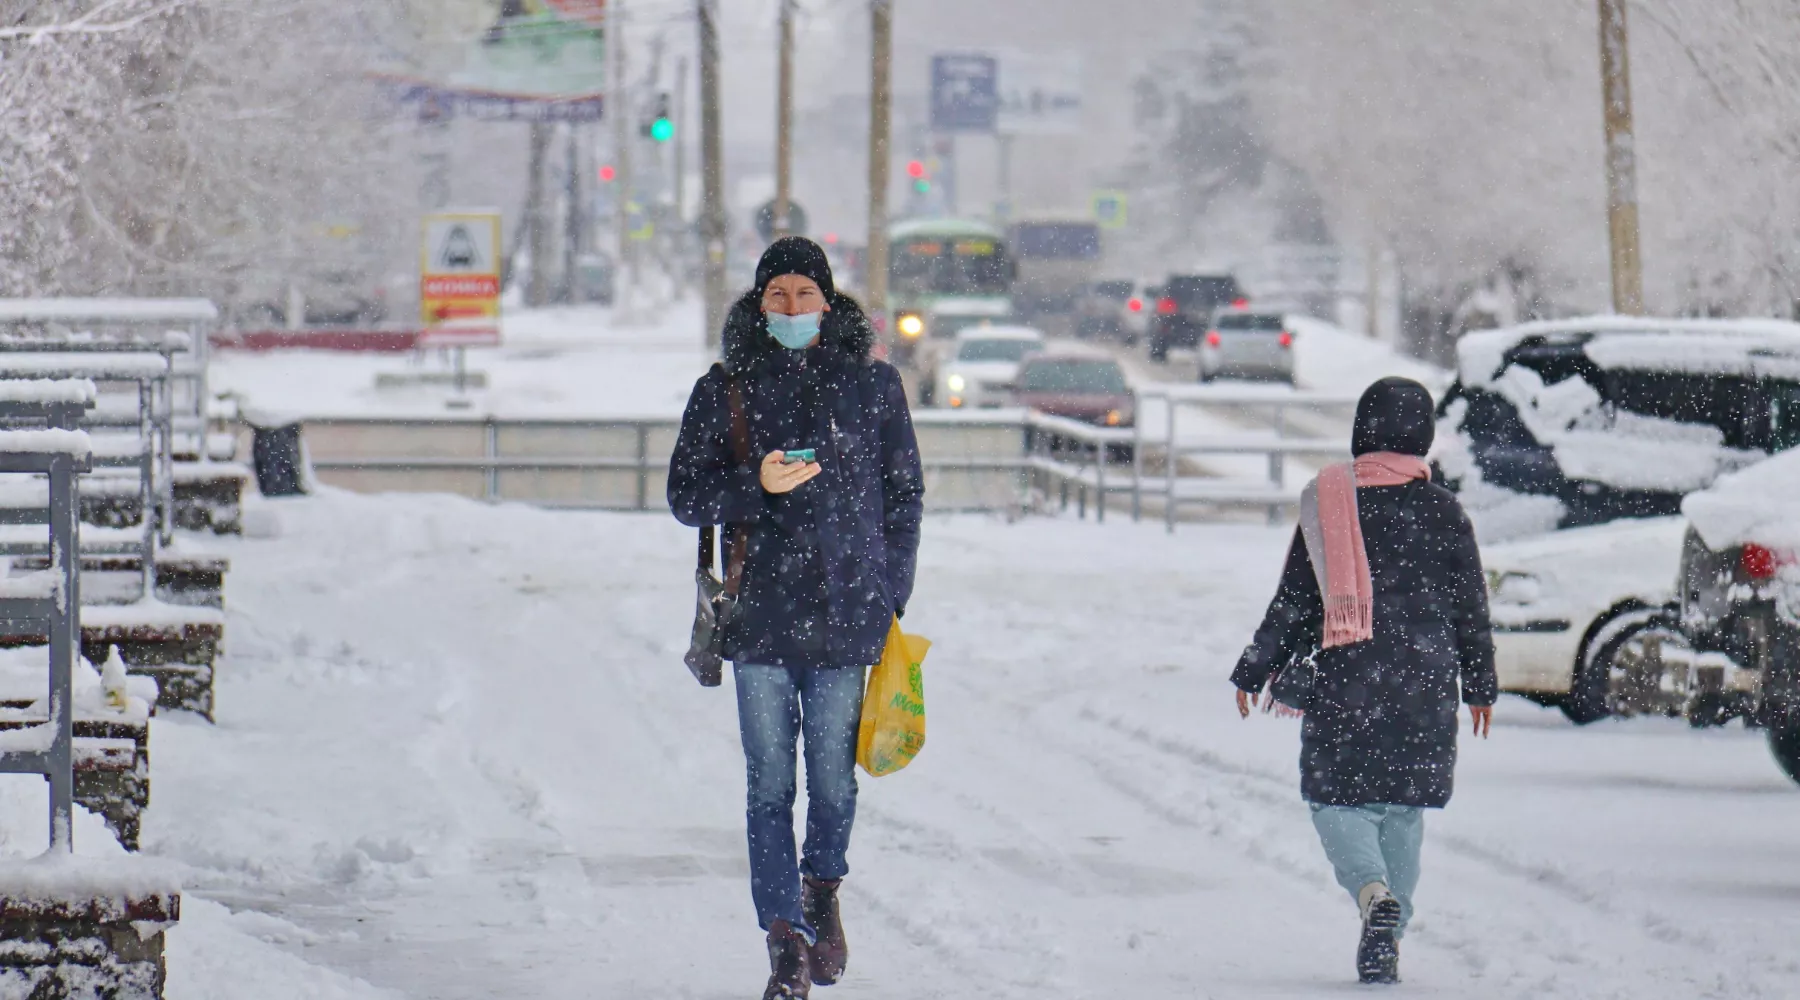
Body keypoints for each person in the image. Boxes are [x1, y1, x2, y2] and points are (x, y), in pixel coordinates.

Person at [668, 237, 924, 1000]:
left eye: (803, 294)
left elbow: (903, 497)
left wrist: (890, 592)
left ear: (828, 301)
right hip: (760, 621)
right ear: (758, 304)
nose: (790, 307)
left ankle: (822, 888)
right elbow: (687, 497)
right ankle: (782, 934)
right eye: (776, 294)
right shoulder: (725, 388)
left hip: (849, 616)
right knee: (769, 783)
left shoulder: (874, 387)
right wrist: (756, 486)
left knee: (836, 786)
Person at [1229, 376, 1495, 986]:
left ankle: (1373, 895)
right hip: (1426, 685)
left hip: (1350, 679)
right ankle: (1388, 938)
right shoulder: (1446, 511)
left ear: (1362, 428)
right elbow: (1471, 608)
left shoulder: (1331, 502)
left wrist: (1255, 666)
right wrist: (1480, 686)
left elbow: (1295, 598)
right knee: (1402, 810)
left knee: (1336, 799)